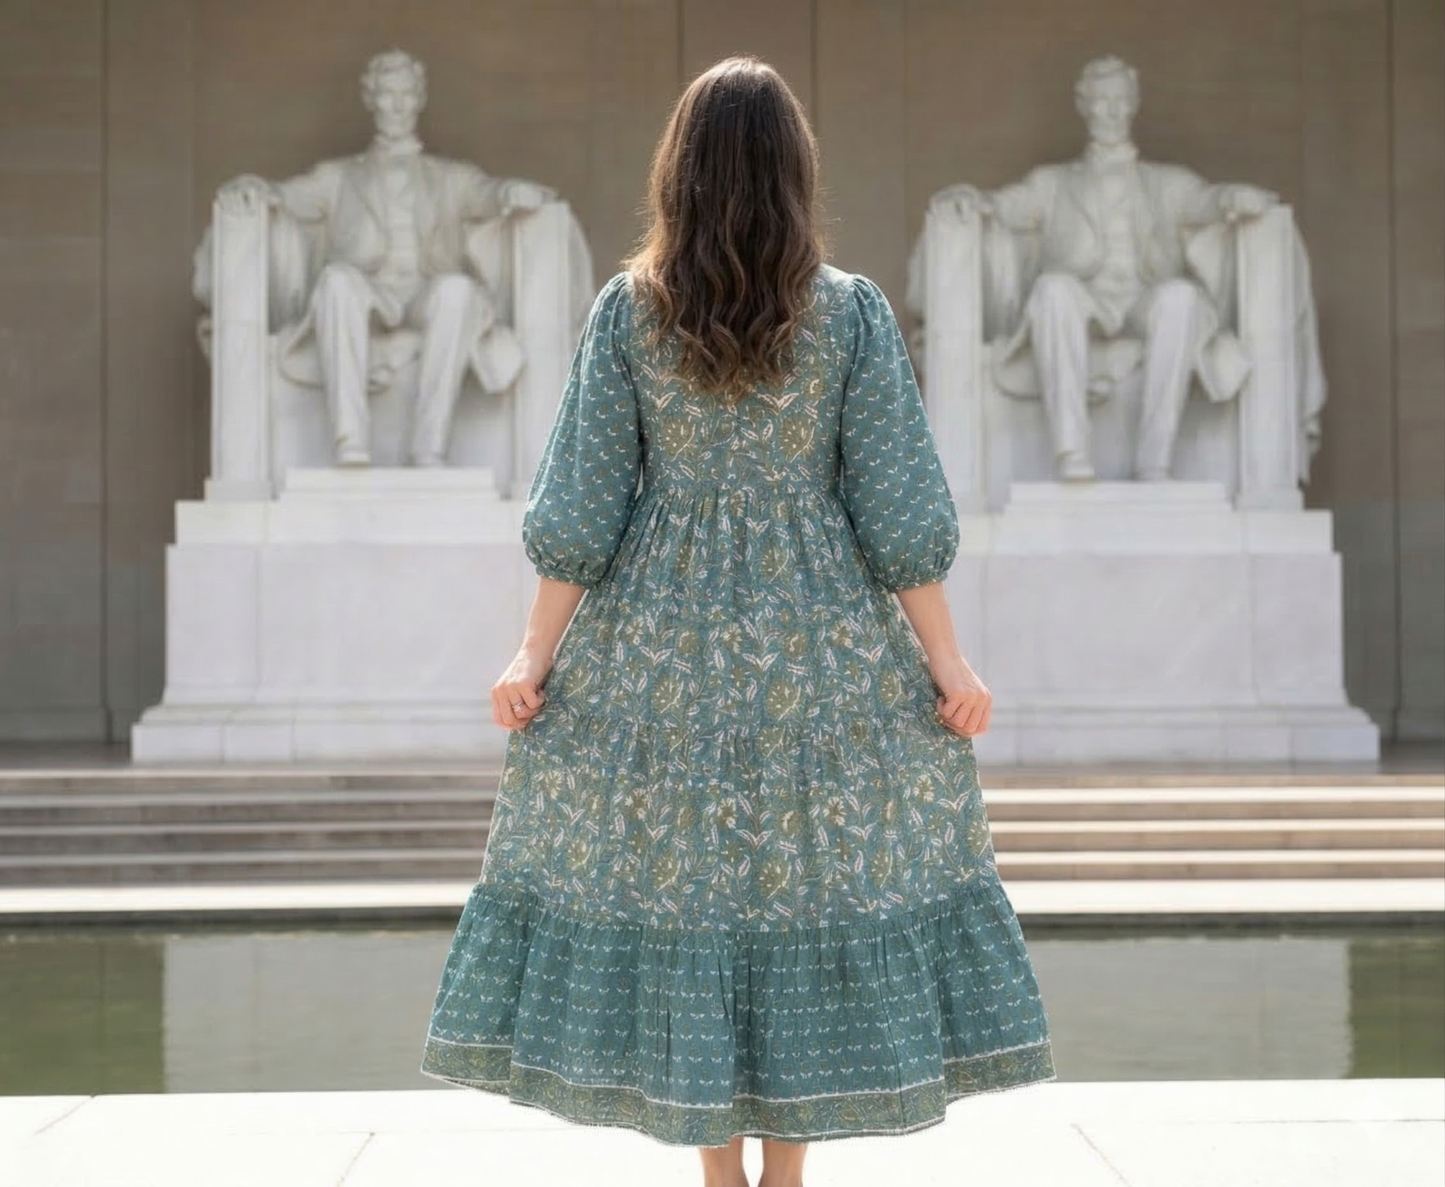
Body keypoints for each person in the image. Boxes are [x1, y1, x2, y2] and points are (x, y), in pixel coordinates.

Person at [421, 57, 1056, 1186]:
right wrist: (948, 665)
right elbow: (897, 507)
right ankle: (783, 1178)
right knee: (805, 895)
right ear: (792, 173)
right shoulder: (848, 312)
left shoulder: (631, 309)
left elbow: (581, 500)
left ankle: (719, 1177)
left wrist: (533, 652)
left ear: (680, 174)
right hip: (819, 650)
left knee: (694, 900)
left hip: (659, 652)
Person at [929, 55, 1278, 481]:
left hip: (1143, 302)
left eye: (1120, 99)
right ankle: (1071, 452)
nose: (1111, 111)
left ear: (1133, 104)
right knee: (1053, 289)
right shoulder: (1052, 182)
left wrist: (1232, 198)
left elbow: (1204, 201)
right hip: (1084, 303)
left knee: (1182, 297)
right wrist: (972, 198)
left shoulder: (1167, 181)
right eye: (1101, 100)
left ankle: (1155, 459)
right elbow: (1006, 205)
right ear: (1083, 105)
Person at [214, 49, 558, 466]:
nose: (397, 104)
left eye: (406, 93)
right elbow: (288, 196)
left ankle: (429, 447)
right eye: (387, 93)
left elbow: (487, 193)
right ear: (370, 99)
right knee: (337, 281)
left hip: (426, 294)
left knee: (458, 291)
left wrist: (510, 193)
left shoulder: (450, 176)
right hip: (367, 293)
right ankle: (350, 441)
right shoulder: (338, 176)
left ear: (419, 99)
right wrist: (255, 186)